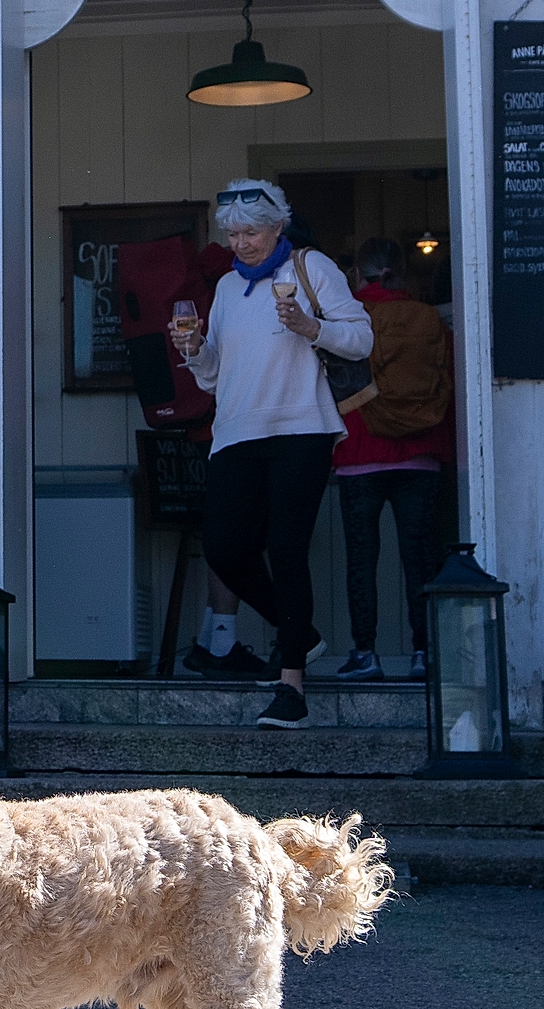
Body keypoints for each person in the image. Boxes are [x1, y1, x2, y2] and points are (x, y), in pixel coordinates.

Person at [168, 179, 372, 729]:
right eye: (233, 234)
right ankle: (300, 634)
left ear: (278, 226)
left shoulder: (312, 268)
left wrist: (311, 326)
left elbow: (361, 339)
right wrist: (194, 352)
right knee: (226, 550)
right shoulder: (229, 291)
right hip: (235, 433)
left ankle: (291, 687)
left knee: (286, 551)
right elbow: (216, 377)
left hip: (301, 430)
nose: (241, 243)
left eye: (251, 232)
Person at [328, 237, 454, 682]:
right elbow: (449, 382)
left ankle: (366, 653)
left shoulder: (348, 318)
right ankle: (424, 653)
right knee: (419, 556)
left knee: (362, 557)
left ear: (358, 273)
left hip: (360, 450)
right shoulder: (429, 320)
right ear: (402, 272)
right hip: (420, 451)